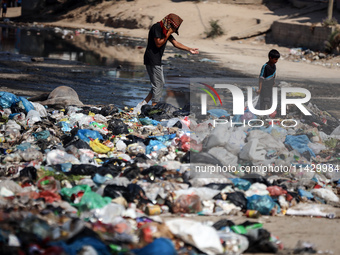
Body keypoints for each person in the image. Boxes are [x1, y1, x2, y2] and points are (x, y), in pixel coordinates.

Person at [142, 13, 199, 106]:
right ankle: (154, 106)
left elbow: (176, 43)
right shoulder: (157, 28)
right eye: (173, 28)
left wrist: (189, 49)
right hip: (151, 59)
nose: (173, 31)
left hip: (155, 59)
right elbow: (158, 43)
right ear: (169, 24)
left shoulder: (165, 31)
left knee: (158, 83)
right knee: (158, 84)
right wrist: (169, 32)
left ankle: (142, 104)